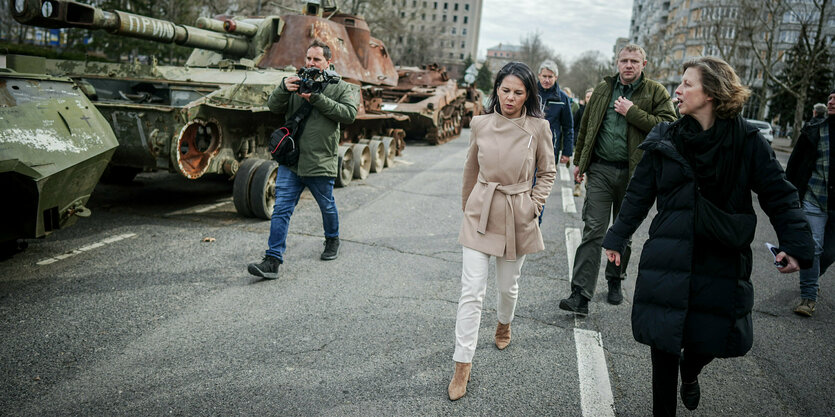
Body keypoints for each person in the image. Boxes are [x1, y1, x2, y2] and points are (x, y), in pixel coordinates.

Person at [602, 56, 813, 416]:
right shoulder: (664, 136)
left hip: (721, 257)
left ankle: (692, 368)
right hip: (669, 253)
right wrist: (617, 236)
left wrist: (795, 245)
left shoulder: (747, 141)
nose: (677, 91)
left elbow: (779, 194)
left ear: (712, 93)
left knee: (712, 338)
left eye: (687, 84)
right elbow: (640, 193)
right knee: (664, 341)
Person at [448, 62, 556, 401]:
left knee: (508, 288)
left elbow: (548, 172)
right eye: (505, 90)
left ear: (528, 95)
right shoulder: (480, 123)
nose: (510, 97)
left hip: (517, 213)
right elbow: (470, 169)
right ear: (496, 90)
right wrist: (468, 208)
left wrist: (533, 206)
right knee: (471, 292)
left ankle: (504, 322)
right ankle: (462, 365)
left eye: (518, 92)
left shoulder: (539, 127)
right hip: (480, 213)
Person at [559, 44, 677, 314]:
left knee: (623, 232)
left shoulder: (655, 91)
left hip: (636, 174)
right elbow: (587, 125)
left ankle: (615, 280)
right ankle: (580, 294)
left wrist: (632, 112)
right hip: (600, 170)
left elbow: (670, 127)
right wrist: (580, 161)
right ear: (617, 62)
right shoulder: (603, 89)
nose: (628, 65)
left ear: (644, 64)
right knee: (594, 230)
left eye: (634, 61)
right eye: (624, 60)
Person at [247, 40, 359, 279]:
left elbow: (349, 114)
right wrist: (282, 88)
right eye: (308, 58)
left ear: (328, 62)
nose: (310, 63)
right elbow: (273, 106)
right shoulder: (295, 82)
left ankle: (332, 240)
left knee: (326, 205)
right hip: (292, 160)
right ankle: (272, 260)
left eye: (316, 59)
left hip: (320, 161)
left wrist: (316, 99)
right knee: (281, 210)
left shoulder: (341, 87)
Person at [785, 89, 835, 317]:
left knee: (828, 253)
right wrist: (788, 194)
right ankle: (808, 297)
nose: (832, 101)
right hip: (813, 197)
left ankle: (813, 273)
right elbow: (795, 164)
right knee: (813, 247)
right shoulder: (815, 129)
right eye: (831, 97)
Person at [537, 60, 574, 169]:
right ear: (539, 76)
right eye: (544, 76)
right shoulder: (530, 93)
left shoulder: (562, 98)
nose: (547, 80)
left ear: (556, 77)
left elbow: (568, 127)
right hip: (528, 146)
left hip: (551, 148)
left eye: (550, 77)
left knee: (545, 182)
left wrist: (567, 152)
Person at [572, 87, 595, 196]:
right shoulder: (580, 111)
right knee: (579, 166)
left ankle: (588, 184)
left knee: (591, 167)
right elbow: (574, 126)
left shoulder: (598, 113)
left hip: (593, 145)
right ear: (584, 98)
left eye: (592, 97)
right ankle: (577, 186)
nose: (589, 99)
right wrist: (576, 138)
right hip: (581, 143)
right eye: (587, 97)